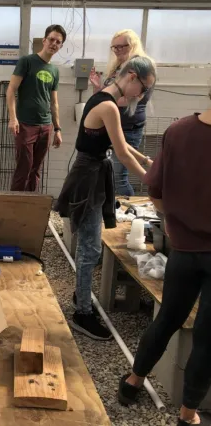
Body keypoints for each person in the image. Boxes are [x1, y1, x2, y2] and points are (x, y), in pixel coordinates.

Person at [118, 98, 211, 426]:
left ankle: (132, 382)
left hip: (183, 250)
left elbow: (154, 189)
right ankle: (188, 414)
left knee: (167, 318)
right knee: (207, 337)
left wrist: (170, 224)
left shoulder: (178, 131)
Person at [55, 56, 156, 340]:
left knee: (91, 245)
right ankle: (82, 313)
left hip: (93, 172)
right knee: (90, 249)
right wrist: (151, 180)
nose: (143, 95)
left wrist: (145, 159)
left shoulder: (103, 98)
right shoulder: (109, 105)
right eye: (144, 88)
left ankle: (81, 297)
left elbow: (118, 140)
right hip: (88, 177)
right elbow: (121, 152)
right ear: (132, 77)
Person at [89, 29, 151, 196]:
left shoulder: (142, 68)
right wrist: (97, 87)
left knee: (118, 176)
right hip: (109, 126)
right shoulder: (117, 69)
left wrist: (148, 171)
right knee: (112, 175)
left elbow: (130, 99)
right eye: (114, 48)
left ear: (133, 45)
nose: (117, 51)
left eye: (121, 47)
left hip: (128, 127)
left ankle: (125, 214)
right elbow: (105, 98)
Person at [7, 24, 66, 192]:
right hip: (26, 125)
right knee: (23, 169)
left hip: (45, 127)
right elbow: (11, 90)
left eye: (58, 42)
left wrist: (57, 129)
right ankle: (15, 207)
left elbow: (54, 102)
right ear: (44, 40)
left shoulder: (54, 70)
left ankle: (32, 206)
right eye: (52, 39)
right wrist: (13, 118)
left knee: (36, 170)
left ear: (61, 46)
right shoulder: (27, 62)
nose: (54, 44)